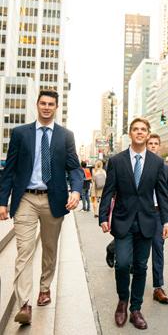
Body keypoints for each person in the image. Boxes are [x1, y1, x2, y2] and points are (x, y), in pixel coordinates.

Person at [0, 90, 83, 325]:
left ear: (56, 107)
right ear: (37, 105)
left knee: (49, 249)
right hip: (25, 198)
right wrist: (2, 201)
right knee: (24, 252)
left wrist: (76, 191)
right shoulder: (20, 134)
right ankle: (24, 304)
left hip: (53, 200)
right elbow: (10, 170)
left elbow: (74, 168)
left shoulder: (65, 136)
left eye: (51, 104)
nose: (47, 107)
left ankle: (45, 287)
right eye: (43, 103)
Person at [98, 118, 168, 330]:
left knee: (141, 266)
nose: (139, 133)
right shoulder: (116, 161)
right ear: (130, 134)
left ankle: (135, 309)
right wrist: (104, 216)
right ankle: (123, 301)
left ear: (148, 134)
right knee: (122, 264)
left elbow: (163, 194)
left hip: (148, 222)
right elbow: (108, 191)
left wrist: (167, 220)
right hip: (123, 221)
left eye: (143, 130)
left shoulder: (157, 163)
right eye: (135, 129)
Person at [145, 133, 168, 304]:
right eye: (149, 143)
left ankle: (158, 287)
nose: (152, 146)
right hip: (141, 214)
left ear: (159, 146)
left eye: (155, 143)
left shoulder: (165, 168)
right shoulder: (139, 165)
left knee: (158, 248)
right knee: (137, 252)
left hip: (159, 214)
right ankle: (114, 250)